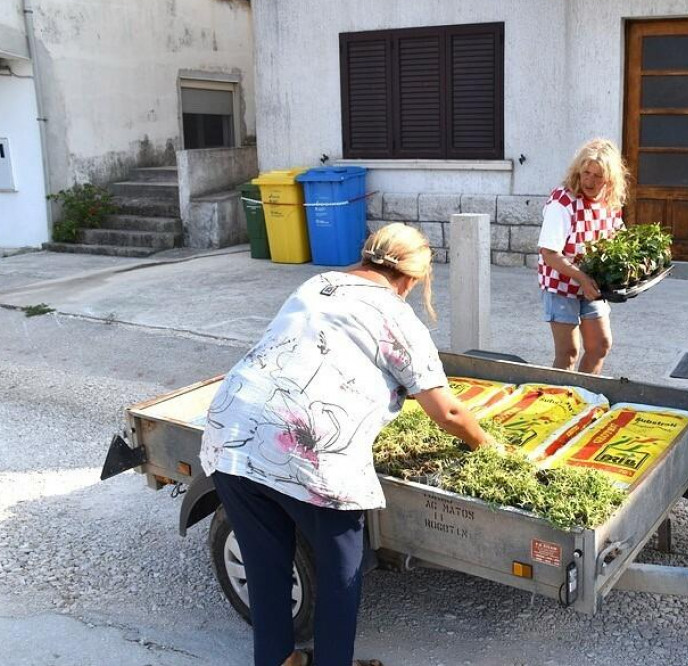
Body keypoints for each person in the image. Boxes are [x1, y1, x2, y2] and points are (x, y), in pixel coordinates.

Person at [199, 223, 497, 666]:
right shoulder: (397, 317)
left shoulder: (318, 283)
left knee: (266, 568)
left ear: (366, 256)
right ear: (414, 278)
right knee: (341, 575)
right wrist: (487, 444)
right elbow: (448, 412)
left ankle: (279, 659)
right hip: (309, 448)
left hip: (233, 430)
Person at [536, 138, 629, 374]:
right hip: (562, 284)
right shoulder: (563, 201)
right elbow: (549, 253)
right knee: (568, 353)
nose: (589, 180)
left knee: (600, 345)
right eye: (586, 172)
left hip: (592, 283)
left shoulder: (609, 199)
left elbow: (619, 239)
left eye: (598, 176)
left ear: (610, 178)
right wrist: (581, 278)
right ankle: (561, 402)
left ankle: (583, 397)